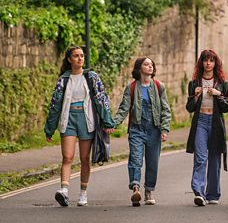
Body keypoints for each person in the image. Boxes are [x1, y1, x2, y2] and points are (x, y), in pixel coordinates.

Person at [44, 45, 115, 207]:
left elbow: (102, 100)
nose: (80, 58)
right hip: (68, 119)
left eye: (81, 55)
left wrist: (107, 122)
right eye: (76, 56)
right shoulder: (63, 79)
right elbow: (55, 105)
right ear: (69, 59)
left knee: (84, 159)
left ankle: (83, 193)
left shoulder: (92, 77)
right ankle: (64, 191)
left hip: (86, 119)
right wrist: (49, 128)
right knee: (67, 157)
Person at [113, 57, 171, 206]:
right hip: (137, 129)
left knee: (153, 163)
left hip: (154, 129)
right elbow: (124, 109)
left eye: (151, 64)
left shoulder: (159, 87)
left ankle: (149, 190)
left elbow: (166, 109)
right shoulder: (131, 87)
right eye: (146, 64)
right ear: (139, 68)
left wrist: (164, 129)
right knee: (135, 159)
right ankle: (136, 189)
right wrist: (114, 124)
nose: (150, 66)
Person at [186, 50, 228, 206]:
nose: (208, 63)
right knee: (200, 158)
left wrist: (219, 94)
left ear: (215, 63)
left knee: (214, 159)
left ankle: (212, 194)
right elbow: (189, 108)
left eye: (211, 60)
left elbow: (226, 108)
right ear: (201, 63)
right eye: (205, 60)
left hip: (216, 124)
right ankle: (198, 192)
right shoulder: (194, 83)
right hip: (201, 123)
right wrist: (195, 96)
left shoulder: (222, 83)